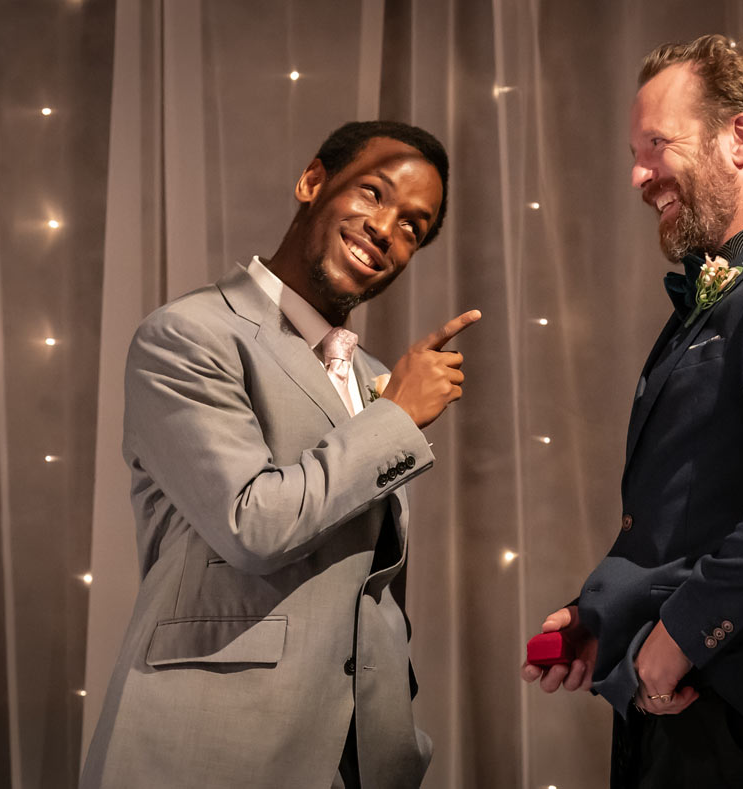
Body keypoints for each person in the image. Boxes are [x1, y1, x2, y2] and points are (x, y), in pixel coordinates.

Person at [522, 35, 743, 787]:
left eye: (657, 144)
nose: (637, 175)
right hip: (699, 711)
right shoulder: (733, 290)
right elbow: (692, 508)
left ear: (741, 137)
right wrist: (605, 614)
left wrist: (683, 632)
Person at [82, 120, 479, 789]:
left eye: (413, 226)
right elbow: (252, 524)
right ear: (312, 181)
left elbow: (366, 586)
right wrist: (396, 416)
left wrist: (396, 742)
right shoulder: (188, 335)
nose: (386, 228)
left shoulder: (375, 374)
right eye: (373, 193)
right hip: (205, 751)